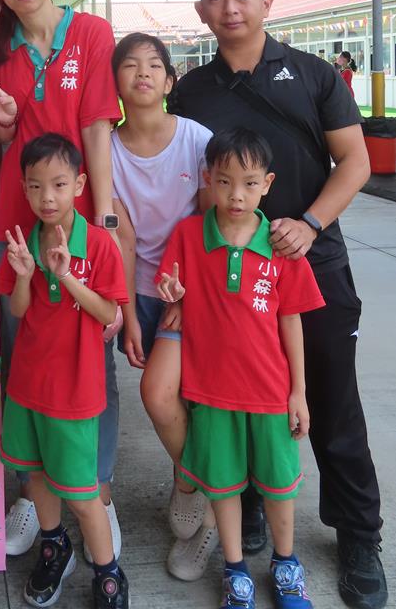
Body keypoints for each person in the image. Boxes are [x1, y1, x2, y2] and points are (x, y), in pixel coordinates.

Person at [156, 0, 386, 609]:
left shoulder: (314, 76)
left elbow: (355, 163)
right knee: (235, 399)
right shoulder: (190, 91)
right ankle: (250, 506)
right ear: (200, 10)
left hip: (313, 265)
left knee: (332, 404)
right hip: (226, 280)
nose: (229, 8)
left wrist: (309, 224)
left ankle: (358, 535)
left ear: (266, 1)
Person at [0, 0, 122, 558]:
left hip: (79, 221)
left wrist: (103, 220)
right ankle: (35, 494)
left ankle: (97, 493)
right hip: (18, 221)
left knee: (92, 356)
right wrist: (4, 125)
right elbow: (10, 137)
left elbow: (97, 130)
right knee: (27, 348)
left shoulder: (92, 34)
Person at [156, 127, 325, 609]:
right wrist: (173, 295)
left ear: (267, 184)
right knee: (223, 487)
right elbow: (171, 288)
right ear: (207, 179)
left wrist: (298, 392)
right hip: (210, 393)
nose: (236, 195)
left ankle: (286, 563)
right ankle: (234, 570)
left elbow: (291, 321)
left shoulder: (280, 245)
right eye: (225, 182)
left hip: (270, 393)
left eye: (250, 183)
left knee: (279, 486)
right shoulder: (188, 236)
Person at [0, 133, 130, 609]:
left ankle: (108, 572)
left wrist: (67, 276)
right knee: (35, 476)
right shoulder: (23, 242)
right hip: (29, 385)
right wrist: (26, 275)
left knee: (82, 493)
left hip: (75, 391)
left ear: (79, 185)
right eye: (35, 187)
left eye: (57, 185)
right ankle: (55, 548)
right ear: (24, 189)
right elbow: (18, 310)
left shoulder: (99, 244)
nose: (46, 197)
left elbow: (107, 313)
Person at [109, 32, 218, 579]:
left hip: (196, 288)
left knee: (180, 396)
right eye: (130, 65)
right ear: (115, 82)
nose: (143, 73)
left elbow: (209, 222)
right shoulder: (105, 148)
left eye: (154, 65)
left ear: (171, 80)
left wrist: (189, 293)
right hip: (144, 290)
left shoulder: (197, 139)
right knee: (167, 397)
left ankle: (197, 491)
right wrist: (130, 313)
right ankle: (197, 481)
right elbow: (122, 238)